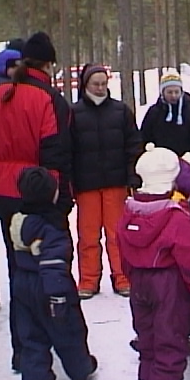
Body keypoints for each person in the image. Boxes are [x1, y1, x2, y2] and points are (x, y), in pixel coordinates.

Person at [0, 31, 73, 372]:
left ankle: (23, 351)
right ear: (48, 64)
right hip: (37, 193)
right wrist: (61, 197)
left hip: (3, 192)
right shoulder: (48, 98)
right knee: (53, 271)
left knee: (19, 273)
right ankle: (67, 350)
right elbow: (56, 152)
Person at [117, 144, 190, 380]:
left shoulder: (129, 211)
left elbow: (121, 245)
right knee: (170, 335)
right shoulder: (175, 214)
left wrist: (131, 274)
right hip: (168, 283)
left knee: (147, 334)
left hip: (139, 280)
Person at [10, 167, 97, 380]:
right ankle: (80, 370)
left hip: (23, 285)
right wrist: (57, 295)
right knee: (69, 332)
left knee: (32, 340)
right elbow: (53, 263)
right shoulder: (52, 227)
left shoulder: (20, 221)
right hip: (50, 286)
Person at [71, 64, 143, 300]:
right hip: (86, 185)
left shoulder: (121, 111)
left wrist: (132, 177)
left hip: (116, 183)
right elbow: (68, 151)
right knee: (88, 236)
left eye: (104, 83)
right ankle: (88, 280)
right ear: (86, 85)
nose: (100, 88)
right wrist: (70, 181)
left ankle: (122, 277)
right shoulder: (74, 113)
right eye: (96, 84)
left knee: (117, 235)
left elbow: (133, 146)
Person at [139, 73, 190, 177]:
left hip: (186, 167)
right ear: (162, 92)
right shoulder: (154, 113)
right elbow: (143, 140)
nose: (173, 95)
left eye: (176, 92)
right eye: (169, 92)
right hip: (160, 169)